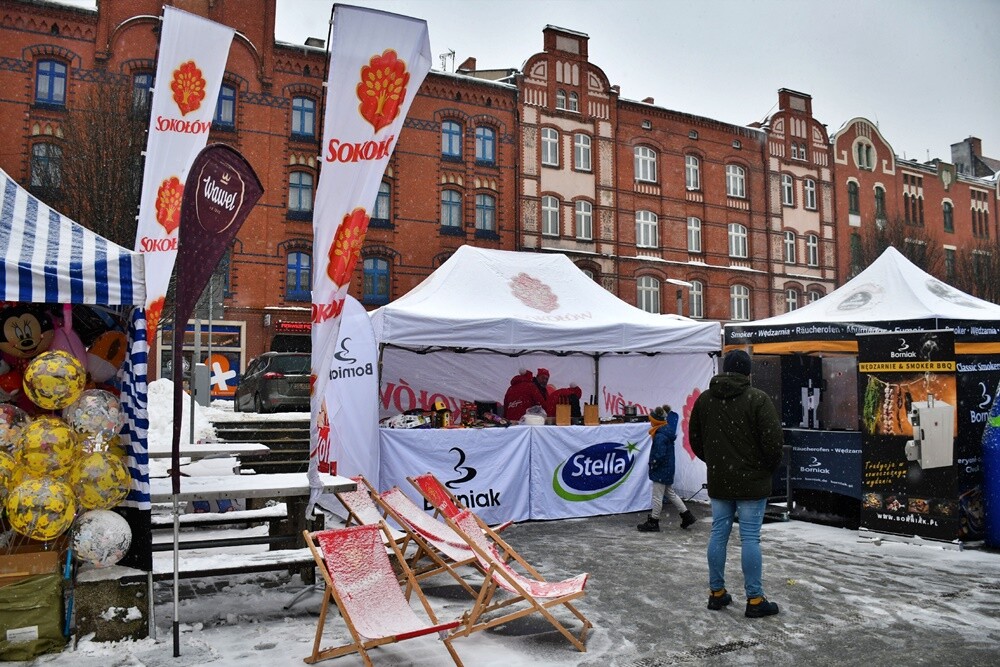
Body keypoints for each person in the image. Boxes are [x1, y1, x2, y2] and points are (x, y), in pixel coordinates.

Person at [689, 349, 784, 618]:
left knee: (719, 533)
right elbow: (773, 442)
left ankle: (716, 593)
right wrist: (764, 468)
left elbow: (695, 439)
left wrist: (715, 462)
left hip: (720, 479)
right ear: (748, 373)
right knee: (750, 537)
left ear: (723, 369)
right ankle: (754, 599)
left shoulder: (705, 400)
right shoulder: (758, 399)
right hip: (752, 482)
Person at [637, 405, 697, 532]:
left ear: (656, 421)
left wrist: (653, 464)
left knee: (657, 496)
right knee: (670, 493)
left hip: (661, 469)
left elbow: (659, 454)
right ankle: (687, 515)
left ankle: (654, 521)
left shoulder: (660, 436)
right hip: (667, 468)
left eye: (651, 419)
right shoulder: (665, 431)